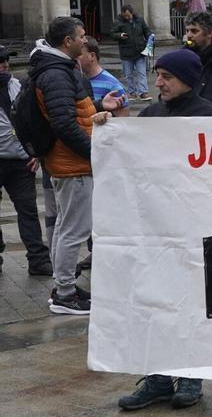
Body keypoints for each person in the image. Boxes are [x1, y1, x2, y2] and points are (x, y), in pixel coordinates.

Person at [105, 49, 212, 412]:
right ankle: (157, 377)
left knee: (192, 304)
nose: (158, 83)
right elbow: (133, 160)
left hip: (197, 231)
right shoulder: (153, 113)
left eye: (166, 77)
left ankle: (190, 376)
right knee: (155, 303)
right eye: (156, 75)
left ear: (187, 78)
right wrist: (114, 125)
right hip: (157, 230)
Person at [30, 17, 122, 315]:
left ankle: (64, 286)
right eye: (81, 36)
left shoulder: (57, 69)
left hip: (69, 162)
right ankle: (65, 294)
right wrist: (93, 152)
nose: (86, 40)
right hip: (73, 164)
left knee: (66, 228)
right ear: (67, 41)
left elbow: (70, 113)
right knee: (74, 229)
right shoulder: (55, 73)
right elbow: (64, 125)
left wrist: (97, 107)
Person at [0, 45, 52, 277]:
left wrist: (36, 152)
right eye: (0, 61)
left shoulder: (19, 85)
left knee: (28, 210)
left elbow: (36, 119)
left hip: (22, 162)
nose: (4, 64)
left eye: (6, 60)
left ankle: (38, 259)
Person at [78, 36, 130, 118]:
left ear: (92, 56)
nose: (75, 58)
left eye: (79, 54)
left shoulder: (113, 85)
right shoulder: (77, 80)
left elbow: (123, 118)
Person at [111, 4, 151, 101]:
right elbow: (112, 34)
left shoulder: (139, 20)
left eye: (128, 15)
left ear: (132, 13)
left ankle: (143, 92)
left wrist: (150, 37)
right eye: (125, 16)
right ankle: (132, 93)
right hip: (126, 52)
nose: (127, 17)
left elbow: (146, 31)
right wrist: (120, 35)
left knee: (142, 73)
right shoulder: (118, 22)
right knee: (128, 74)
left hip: (139, 51)